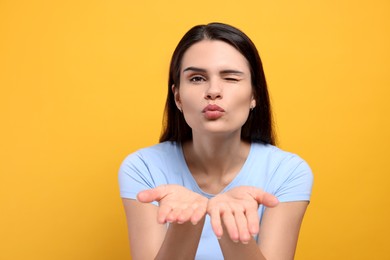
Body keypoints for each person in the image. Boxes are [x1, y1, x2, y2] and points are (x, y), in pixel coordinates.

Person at [118, 22, 313, 260]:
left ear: (254, 95)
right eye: (197, 78)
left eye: (230, 78)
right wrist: (186, 224)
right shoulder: (142, 167)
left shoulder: (288, 171)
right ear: (177, 96)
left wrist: (231, 229)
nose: (213, 91)